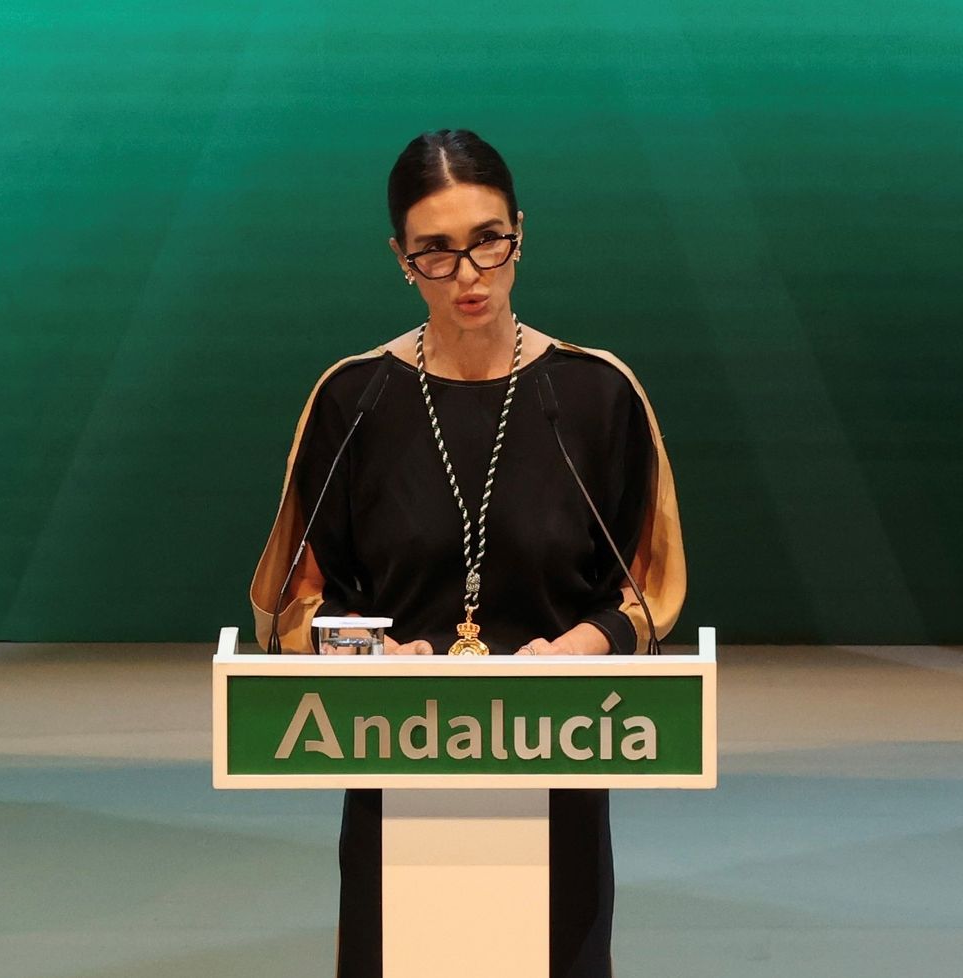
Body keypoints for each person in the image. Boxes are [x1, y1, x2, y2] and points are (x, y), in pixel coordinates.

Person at [249, 129, 685, 978]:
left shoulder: (596, 394)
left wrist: (579, 649)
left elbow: (645, 589)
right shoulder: (353, 399)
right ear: (400, 260)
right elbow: (300, 600)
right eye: (436, 254)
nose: (470, 274)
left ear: (520, 229)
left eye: (488, 240)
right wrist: (377, 651)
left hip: (557, 749)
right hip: (395, 741)